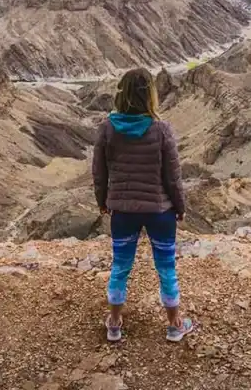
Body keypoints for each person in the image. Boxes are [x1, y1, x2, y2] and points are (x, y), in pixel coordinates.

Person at [92, 67, 194, 343]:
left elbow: (99, 173)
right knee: (166, 268)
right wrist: (179, 206)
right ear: (150, 95)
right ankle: (175, 325)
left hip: (122, 211)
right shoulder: (161, 129)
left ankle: (114, 323)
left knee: (120, 266)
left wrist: (102, 202)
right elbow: (173, 176)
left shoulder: (107, 128)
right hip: (160, 211)